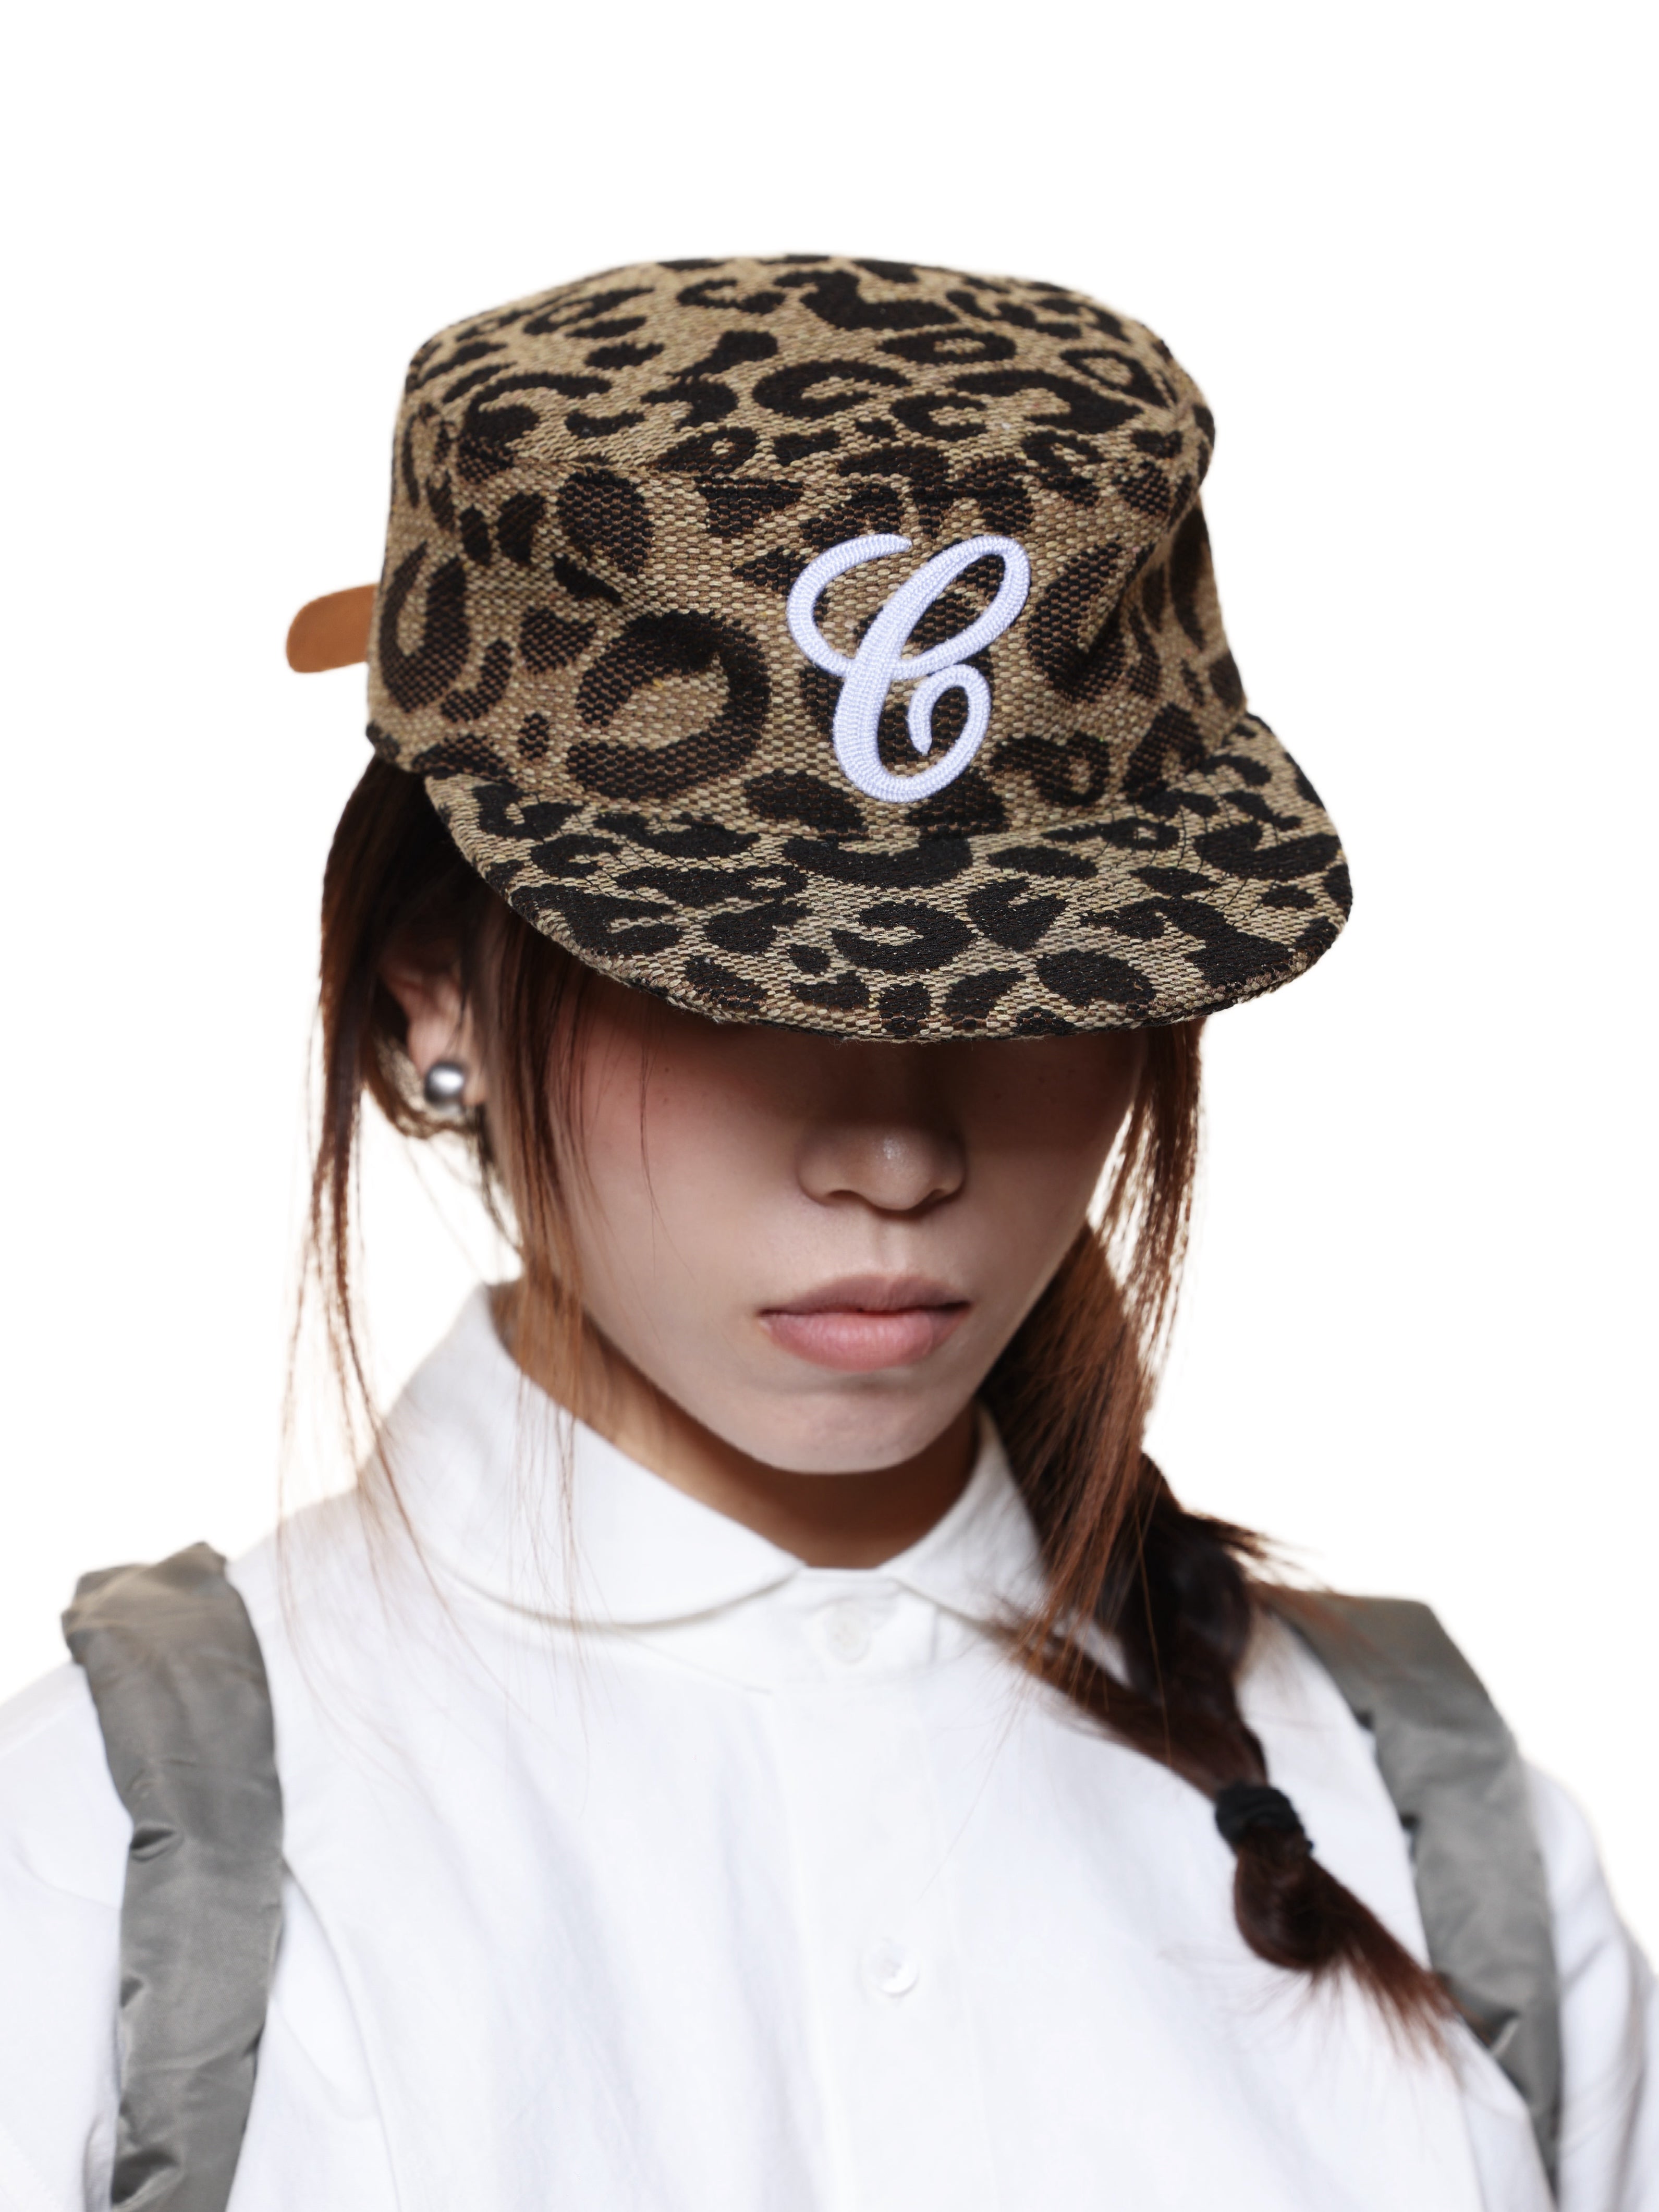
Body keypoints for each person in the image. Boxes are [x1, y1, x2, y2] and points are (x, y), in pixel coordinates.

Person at [0, 256, 1650, 2212]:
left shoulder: (1439, 1837)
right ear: (437, 988)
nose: (895, 1145)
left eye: (1030, 978)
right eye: (728, 982)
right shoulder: (110, 1870)